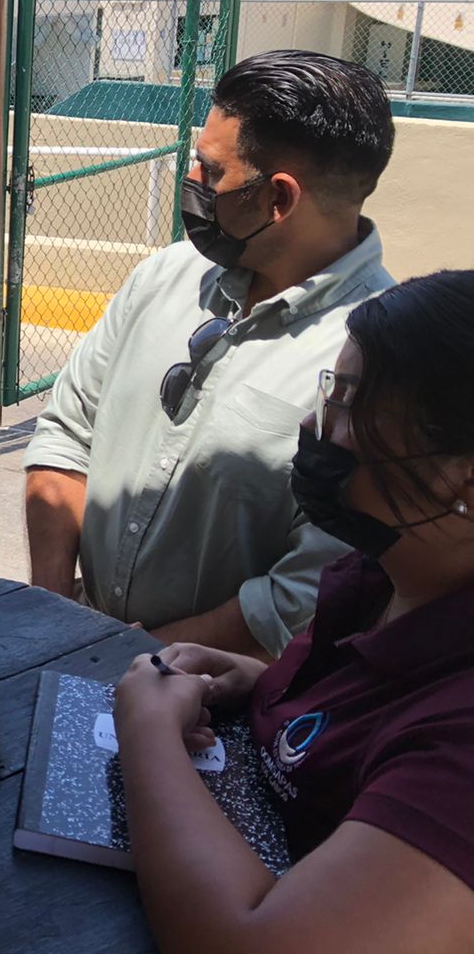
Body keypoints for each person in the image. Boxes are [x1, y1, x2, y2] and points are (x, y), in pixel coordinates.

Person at [114, 270, 474, 952]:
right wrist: (267, 685)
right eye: (330, 391)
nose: (315, 426)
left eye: (353, 406)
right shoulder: (382, 581)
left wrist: (148, 731)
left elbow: (253, 941)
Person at [24, 50, 396, 656]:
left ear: (278, 199)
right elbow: (68, 431)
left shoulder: (377, 360)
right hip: (81, 639)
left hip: (217, 697)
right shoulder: (165, 277)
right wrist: (57, 612)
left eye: (211, 170)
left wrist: (138, 661)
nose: (192, 180)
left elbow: (306, 591)